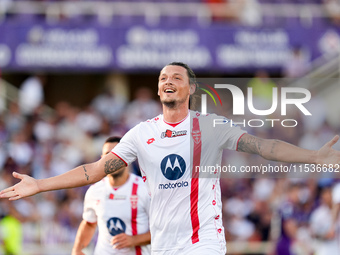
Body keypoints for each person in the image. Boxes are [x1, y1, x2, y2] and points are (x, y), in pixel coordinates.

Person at [1, 62, 340, 255]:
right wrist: (41, 185)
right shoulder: (140, 134)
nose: (167, 81)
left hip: (203, 241)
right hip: (163, 245)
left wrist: (314, 156)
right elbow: (94, 170)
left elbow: (266, 147)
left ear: (191, 88)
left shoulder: (211, 125)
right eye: (163, 77)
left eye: (176, 77)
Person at [72, 136, 151, 255]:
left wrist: (134, 240)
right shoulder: (94, 191)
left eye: (116, 153)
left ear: (127, 157)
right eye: (107, 154)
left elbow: (163, 229)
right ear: (102, 159)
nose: (111, 159)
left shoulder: (144, 189)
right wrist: (77, 249)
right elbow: (89, 222)